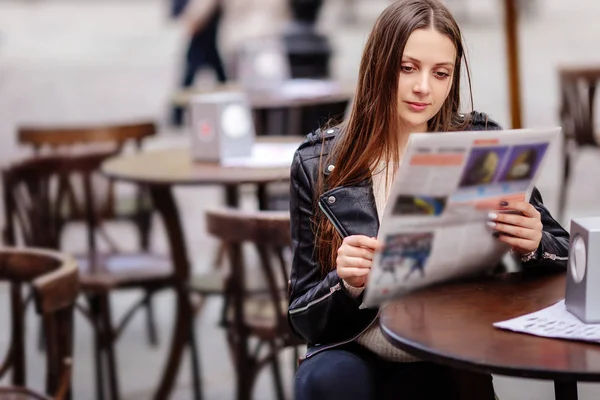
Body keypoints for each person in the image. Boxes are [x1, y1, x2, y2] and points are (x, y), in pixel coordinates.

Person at [287, 0, 570, 399]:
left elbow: (567, 256)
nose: (424, 87)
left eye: (441, 73)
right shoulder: (319, 163)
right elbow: (300, 316)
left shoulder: (479, 143)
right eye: (407, 68)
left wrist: (534, 242)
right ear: (378, 66)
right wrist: (345, 282)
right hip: (355, 348)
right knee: (328, 381)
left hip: (447, 344)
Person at [171, 0, 227, 126]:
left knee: (191, 76)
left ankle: (176, 114)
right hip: (202, 34)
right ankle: (176, 114)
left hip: (206, 33)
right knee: (191, 76)